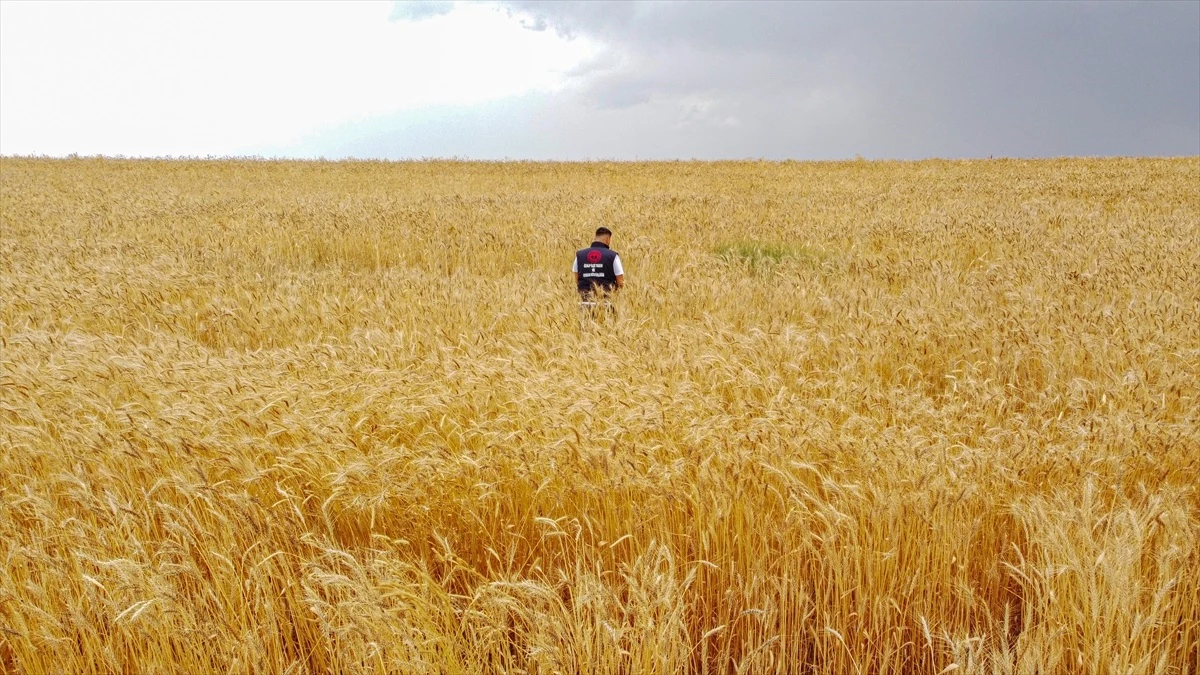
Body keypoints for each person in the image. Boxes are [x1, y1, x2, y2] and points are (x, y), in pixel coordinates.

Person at [573, 227, 624, 301]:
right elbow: (620, 282)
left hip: (584, 300)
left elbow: (576, 279)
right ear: (608, 239)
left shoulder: (579, 255)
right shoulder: (613, 256)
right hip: (607, 301)